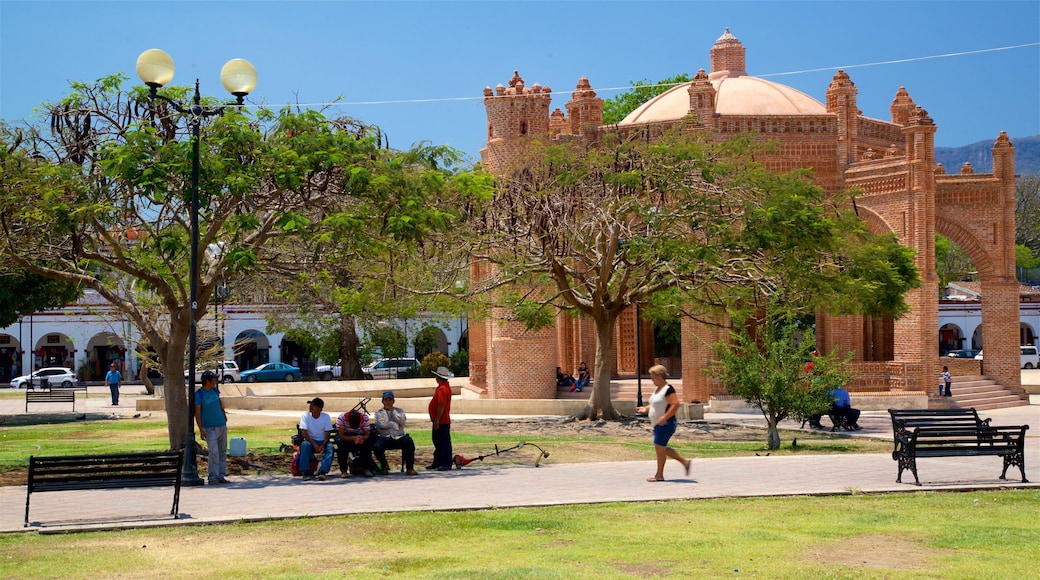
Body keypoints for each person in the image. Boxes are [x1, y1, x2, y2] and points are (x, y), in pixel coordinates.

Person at [635, 364, 691, 482]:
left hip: (666, 424)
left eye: (653, 377)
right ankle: (684, 462)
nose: (652, 380)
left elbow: (675, 404)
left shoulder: (668, 389)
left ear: (660, 376)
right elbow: (655, 404)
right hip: (657, 424)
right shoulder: (657, 389)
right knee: (660, 448)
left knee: (660, 447)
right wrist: (645, 409)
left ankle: (659, 475)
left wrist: (665, 417)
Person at [194, 370, 229, 485]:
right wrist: (201, 429)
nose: (215, 381)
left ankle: (221, 475)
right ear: (207, 381)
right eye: (213, 379)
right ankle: (213, 476)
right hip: (209, 427)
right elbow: (197, 413)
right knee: (214, 452)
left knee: (222, 451)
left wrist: (224, 415)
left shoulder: (215, 390)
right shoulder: (199, 395)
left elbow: (219, 403)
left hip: (221, 424)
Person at [372, 391, 418, 476]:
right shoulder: (379, 413)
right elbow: (381, 424)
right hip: (385, 437)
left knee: (409, 442)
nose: (388, 402)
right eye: (386, 400)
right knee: (376, 446)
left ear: (393, 401)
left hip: (398, 437)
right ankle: (384, 466)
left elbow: (402, 421)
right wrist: (393, 424)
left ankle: (410, 468)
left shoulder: (399, 411)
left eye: (390, 400)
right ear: (383, 401)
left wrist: (393, 412)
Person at [298, 397, 335, 481]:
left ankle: (322, 471)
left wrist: (323, 444)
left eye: (313, 406)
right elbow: (304, 432)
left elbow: (327, 433)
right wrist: (314, 444)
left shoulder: (325, 417)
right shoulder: (305, 415)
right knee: (304, 445)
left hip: (323, 441)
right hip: (310, 440)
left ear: (320, 408)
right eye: (310, 405)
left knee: (330, 448)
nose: (310, 407)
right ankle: (305, 472)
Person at [428, 366, 454, 471]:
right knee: (437, 441)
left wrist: (437, 419)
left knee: (443, 442)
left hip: (442, 420)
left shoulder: (443, 389)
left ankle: (446, 462)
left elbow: (441, 405)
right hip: (438, 419)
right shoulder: (442, 387)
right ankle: (437, 461)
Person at [335, 408, 375, 478]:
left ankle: (366, 469)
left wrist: (361, 439)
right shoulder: (342, 418)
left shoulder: (364, 417)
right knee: (341, 446)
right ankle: (344, 470)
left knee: (367, 444)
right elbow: (341, 435)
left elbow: (367, 434)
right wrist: (353, 438)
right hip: (346, 437)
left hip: (360, 436)